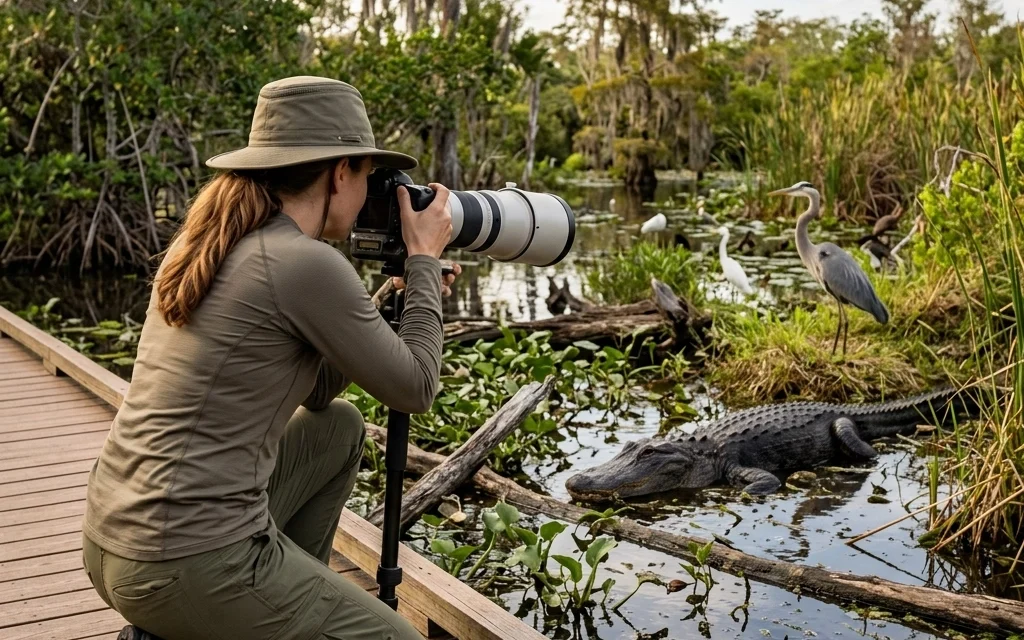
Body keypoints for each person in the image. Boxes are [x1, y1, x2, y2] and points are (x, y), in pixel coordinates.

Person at [81, 76, 459, 640]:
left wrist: (392, 294)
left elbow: (319, 390)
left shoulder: (212, 242)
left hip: (112, 540)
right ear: (339, 172)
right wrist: (427, 260)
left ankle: (275, 608)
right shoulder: (304, 263)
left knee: (337, 427)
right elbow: (415, 388)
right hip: (182, 562)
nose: (370, 194)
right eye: (368, 175)